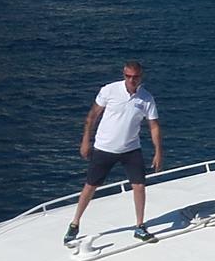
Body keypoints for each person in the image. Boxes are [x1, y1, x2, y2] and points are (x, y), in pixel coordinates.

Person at [65, 61, 163, 244]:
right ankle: (75, 223)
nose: (131, 80)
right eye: (128, 76)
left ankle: (140, 227)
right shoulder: (109, 91)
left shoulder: (146, 98)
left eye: (135, 77)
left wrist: (158, 152)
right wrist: (86, 140)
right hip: (104, 148)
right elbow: (92, 116)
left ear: (141, 77)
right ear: (123, 75)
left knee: (139, 186)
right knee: (90, 186)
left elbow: (154, 126)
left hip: (131, 149)